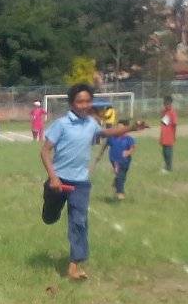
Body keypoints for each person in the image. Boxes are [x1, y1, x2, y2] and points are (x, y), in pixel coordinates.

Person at [40, 83, 134, 282]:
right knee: (49, 218)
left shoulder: (91, 123)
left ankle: (74, 265)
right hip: (58, 181)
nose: (84, 105)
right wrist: (53, 177)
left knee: (79, 221)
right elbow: (45, 151)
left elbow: (106, 133)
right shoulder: (61, 124)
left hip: (80, 183)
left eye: (87, 101)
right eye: (79, 101)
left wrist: (131, 128)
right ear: (72, 103)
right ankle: (49, 203)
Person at [106, 121, 135, 199]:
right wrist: (99, 156)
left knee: (122, 175)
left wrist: (128, 152)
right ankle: (120, 192)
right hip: (115, 160)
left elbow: (132, 148)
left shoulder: (128, 139)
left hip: (126, 161)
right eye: (117, 127)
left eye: (121, 127)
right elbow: (105, 145)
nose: (119, 129)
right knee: (120, 175)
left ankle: (116, 182)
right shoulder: (112, 137)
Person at [159, 94, 177, 172]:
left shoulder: (172, 112)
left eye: (167, 104)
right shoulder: (163, 112)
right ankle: (166, 165)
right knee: (164, 152)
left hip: (170, 135)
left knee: (168, 152)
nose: (166, 105)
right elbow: (163, 122)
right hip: (164, 135)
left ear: (170, 103)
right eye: (165, 103)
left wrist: (174, 135)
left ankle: (169, 167)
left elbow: (174, 124)